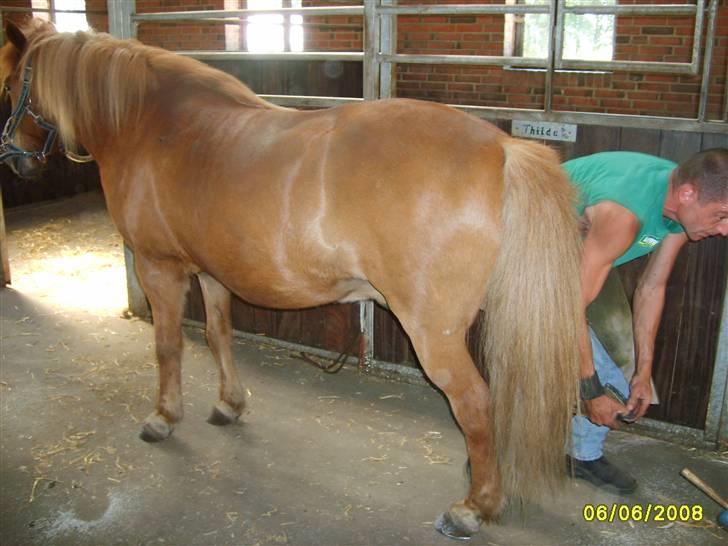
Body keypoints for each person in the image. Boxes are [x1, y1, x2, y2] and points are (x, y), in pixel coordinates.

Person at [564, 148, 728, 494]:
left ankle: (580, 457)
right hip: (519, 253)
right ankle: (493, 452)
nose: (725, 230)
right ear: (688, 194)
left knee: (622, 375)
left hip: (581, 258)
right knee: (586, 376)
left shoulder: (681, 207)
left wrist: (643, 371)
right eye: (721, 216)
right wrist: (589, 390)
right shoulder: (624, 214)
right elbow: (567, 307)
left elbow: (652, 286)